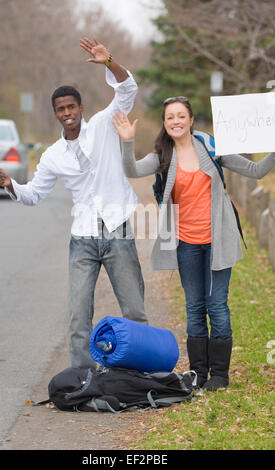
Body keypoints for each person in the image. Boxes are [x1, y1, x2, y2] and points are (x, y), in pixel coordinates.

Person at [0, 37, 148, 369]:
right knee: (79, 315)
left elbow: (127, 90)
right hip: (83, 240)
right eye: (60, 109)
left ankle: (139, 372)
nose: (67, 113)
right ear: (55, 113)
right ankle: (82, 378)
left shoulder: (106, 126)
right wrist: (11, 186)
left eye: (71, 107)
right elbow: (34, 195)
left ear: (81, 108)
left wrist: (109, 62)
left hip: (117, 232)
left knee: (134, 310)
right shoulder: (52, 156)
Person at [112, 98, 275, 391]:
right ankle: (198, 372)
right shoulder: (163, 155)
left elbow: (255, 170)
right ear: (165, 123)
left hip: (217, 240)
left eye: (181, 116)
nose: (175, 121)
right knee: (194, 308)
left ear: (190, 120)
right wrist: (127, 141)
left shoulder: (210, 148)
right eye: (170, 117)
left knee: (218, 307)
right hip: (185, 243)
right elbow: (132, 170)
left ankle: (221, 375)